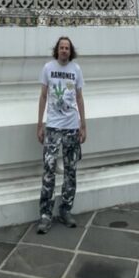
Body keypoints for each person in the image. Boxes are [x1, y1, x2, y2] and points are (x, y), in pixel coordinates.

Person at [36, 36, 86, 234]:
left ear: (70, 51)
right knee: (48, 170)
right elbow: (42, 96)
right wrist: (40, 124)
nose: (64, 50)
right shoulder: (48, 68)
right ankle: (45, 214)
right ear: (57, 50)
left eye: (67, 48)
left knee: (70, 170)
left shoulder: (76, 70)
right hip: (53, 127)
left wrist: (84, 125)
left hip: (72, 126)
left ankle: (65, 209)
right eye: (61, 47)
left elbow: (80, 97)